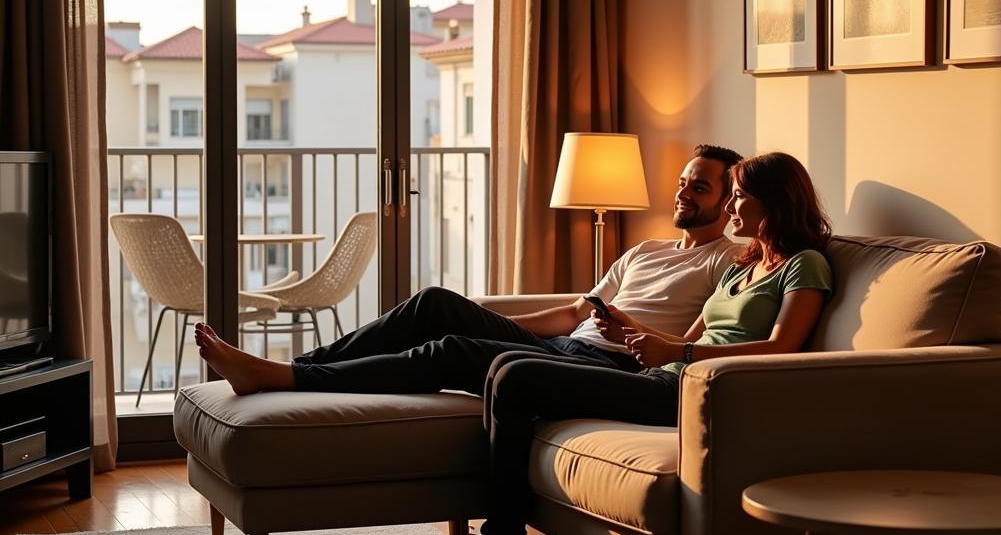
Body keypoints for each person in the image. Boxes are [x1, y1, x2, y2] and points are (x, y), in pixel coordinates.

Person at [418, 151, 832, 535]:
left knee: (516, 376)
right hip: (663, 375)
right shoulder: (744, 265)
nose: (730, 208)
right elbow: (686, 339)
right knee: (505, 365)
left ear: (774, 202)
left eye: (740, 198)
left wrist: (683, 356)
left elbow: (779, 347)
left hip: (689, 392)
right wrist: (631, 335)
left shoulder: (804, 264)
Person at [193, 143, 743, 397]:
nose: (684, 193)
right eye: (682, 182)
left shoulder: (731, 259)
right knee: (438, 303)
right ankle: (295, 365)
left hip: (616, 367)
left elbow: (699, 339)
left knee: (451, 349)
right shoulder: (645, 250)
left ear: (727, 201)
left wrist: (637, 332)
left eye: (701, 187)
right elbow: (577, 310)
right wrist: (494, 322)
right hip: (564, 348)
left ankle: (287, 380)